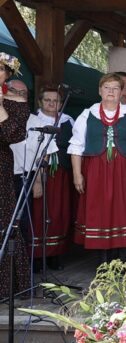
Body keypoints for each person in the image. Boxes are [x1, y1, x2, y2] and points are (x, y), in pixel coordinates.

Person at [69, 73, 126, 261]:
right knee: (100, 211)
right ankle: (103, 260)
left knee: (124, 210)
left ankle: (123, 258)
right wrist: (77, 174)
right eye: (107, 87)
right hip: (96, 169)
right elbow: (77, 145)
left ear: (122, 91)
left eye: (115, 88)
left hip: (125, 170)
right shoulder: (87, 114)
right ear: (99, 90)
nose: (111, 91)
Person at [29, 85, 76, 271]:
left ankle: (56, 254)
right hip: (40, 173)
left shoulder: (67, 121)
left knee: (59, 213)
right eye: (47, 100)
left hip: (61, 174)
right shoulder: (33, 120)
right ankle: (37, 257)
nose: (51, 103)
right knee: (39, 213)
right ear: (40, 102)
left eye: (55, 101)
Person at [0, 52, 31, 299]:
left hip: (1, 165)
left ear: (8, 75)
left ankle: (7, 286)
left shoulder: (16, 103)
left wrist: (0, 105)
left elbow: (13, 135)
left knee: (4, 221)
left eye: (1, 69)